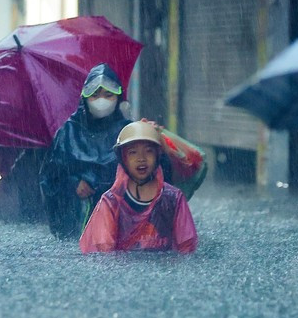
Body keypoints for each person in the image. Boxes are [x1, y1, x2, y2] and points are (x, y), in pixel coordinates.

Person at [40, 63, 132, 238]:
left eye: (108, 95)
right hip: (76, 222)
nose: (101, 101)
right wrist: (73, 184)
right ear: (85, 98)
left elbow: (145, 176)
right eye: (95, 95)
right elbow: (49, 178)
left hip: (117, 223)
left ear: (117, 98)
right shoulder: (68, 132)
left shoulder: (129, 132)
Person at [80, 121, 197, 254]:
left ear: (158, 155)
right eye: (133, 152)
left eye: (148, 151)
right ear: (123, 158)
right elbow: (104, 252)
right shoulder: (111, 202)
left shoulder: (174, 198)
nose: (141, 158)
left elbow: (187, 247)